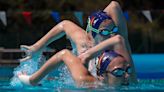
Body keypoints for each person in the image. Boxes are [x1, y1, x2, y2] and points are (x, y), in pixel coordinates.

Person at [18, 1, 137, 86]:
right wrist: (37, 48)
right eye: (105, 31)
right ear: (90, 34)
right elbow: (64, 25)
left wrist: (89, 53)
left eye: (113, 30)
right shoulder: (82, 42)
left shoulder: (118, 48)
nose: (111, 34)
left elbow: (114, 6)